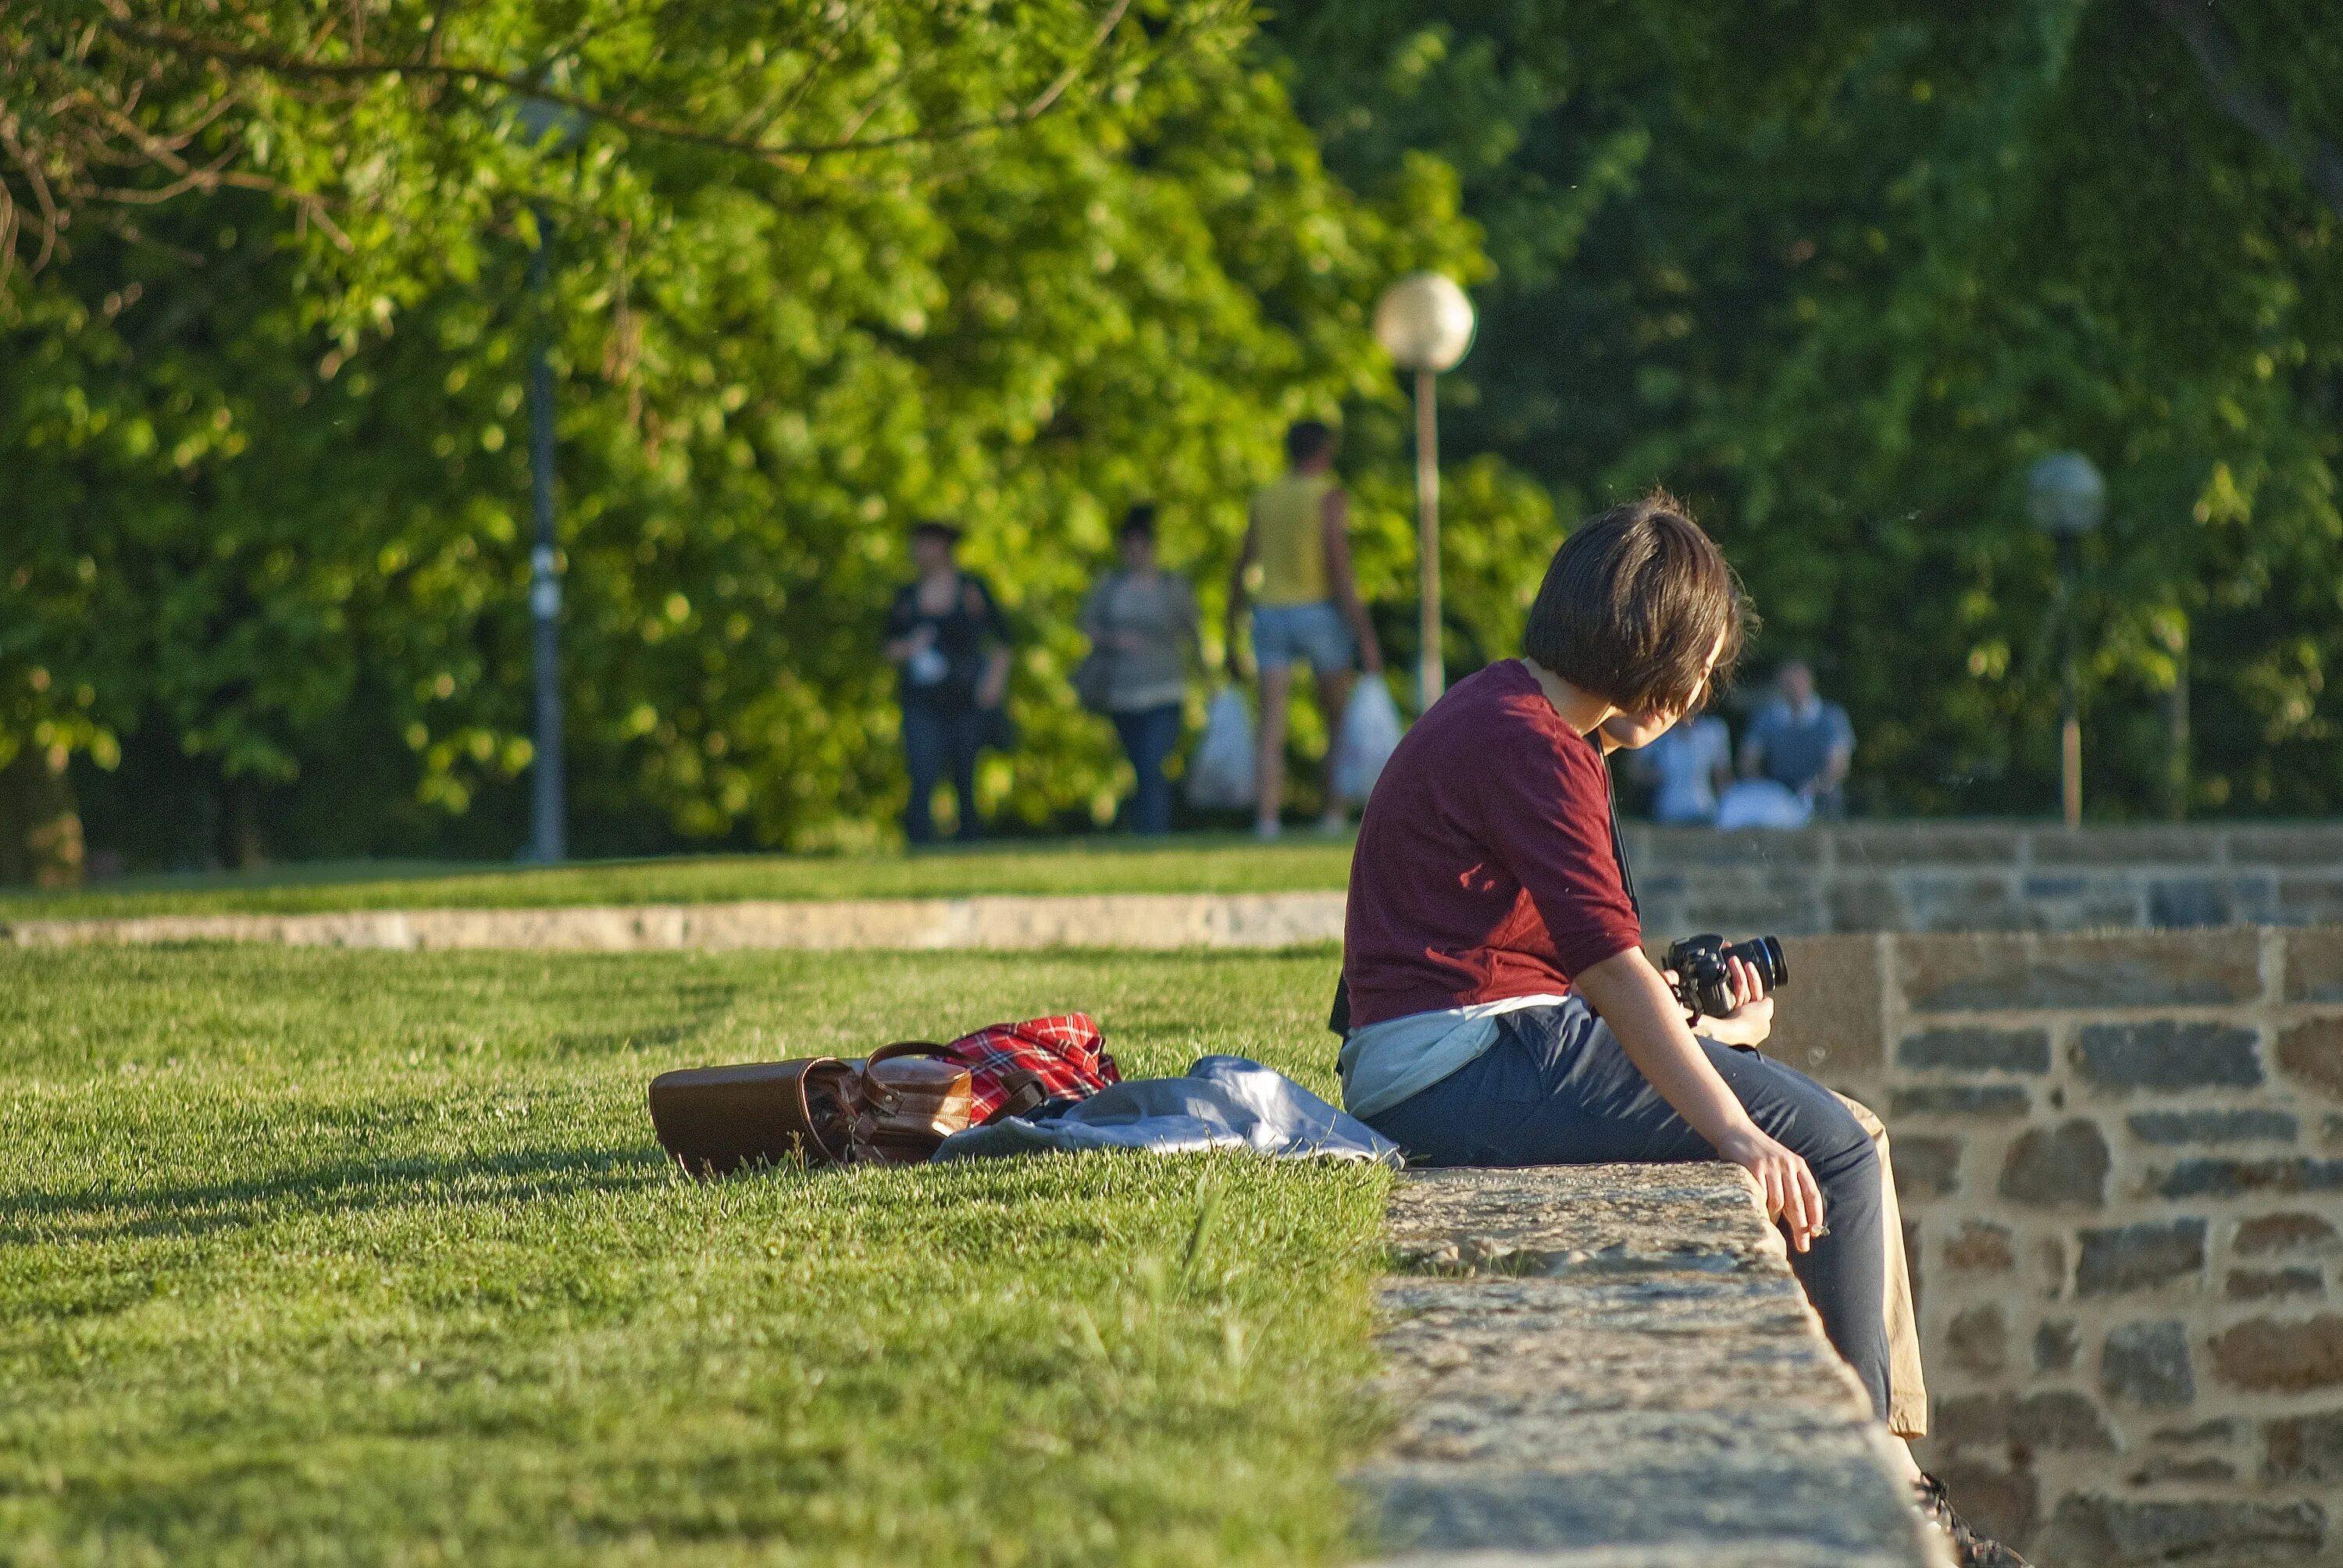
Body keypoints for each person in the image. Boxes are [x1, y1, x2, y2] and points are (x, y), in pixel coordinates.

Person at [1335, 494, 2024, 1567]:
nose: (1700, 694)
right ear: (1647, 641)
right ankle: (1881, 1480)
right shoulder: (1537, 747)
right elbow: (1606, 973)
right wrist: (1739, 1134)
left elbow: (1561, 964)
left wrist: (1711, 1027)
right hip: (1462, 1063)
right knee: (1832, 1149)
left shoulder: (1511, 714)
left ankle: (1896, 1455)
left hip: (1466, 1044)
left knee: (1848, 1124)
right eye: (1698, 664)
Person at [1226, 420, 1383, 839]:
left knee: (1271, 724)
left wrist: (1230, 629)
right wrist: (1364, 633)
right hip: (1318, 612)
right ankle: (1332, 815)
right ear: (1325, 451)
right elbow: (1338, 564)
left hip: (1271, 613)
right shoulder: (1328, 494)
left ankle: (1267, 820)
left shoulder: (1267, 496)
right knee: (1335, 718)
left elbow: (1242, 566)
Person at [884, 519, 1011, 843]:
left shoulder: (971, 590)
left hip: (966, 699)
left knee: (966, 777)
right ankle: (920, 846)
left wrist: (993, 682)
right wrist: (909, 647)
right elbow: (888, 646)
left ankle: (970, 845)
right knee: (922, 773)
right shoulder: (906, 597)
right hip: (921, 701)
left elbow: (1003, 639)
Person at [1079, 504, 1200, 836]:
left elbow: (1192, 632)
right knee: (1138, 765)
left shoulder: (1172, 587)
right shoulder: (1111, 587)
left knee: (1152, 764)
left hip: (1165, 689)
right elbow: (1087, 627)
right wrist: (1118, 640)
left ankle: (1153, 830)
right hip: (1122, 692)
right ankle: (1145, 827)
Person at [1740, 658, 1855, 818]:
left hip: (1820, 794)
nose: (1793, 686)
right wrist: (1762, 788)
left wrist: (1818, 785)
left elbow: (1839, 764)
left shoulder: (1832, 717)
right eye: (1787, 681)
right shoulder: (1765, 718)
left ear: (1810, 681)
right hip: (1777, 794)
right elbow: (1749, 760)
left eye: (1798, 680)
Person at [1630, 712, 1732, 824]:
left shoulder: (1713, 730)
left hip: (1704, 812)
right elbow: (1633, 769)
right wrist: (1653, 776)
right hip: (1668, 814)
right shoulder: (1657, 732)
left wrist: (1726, 813)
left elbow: (1722, 778)